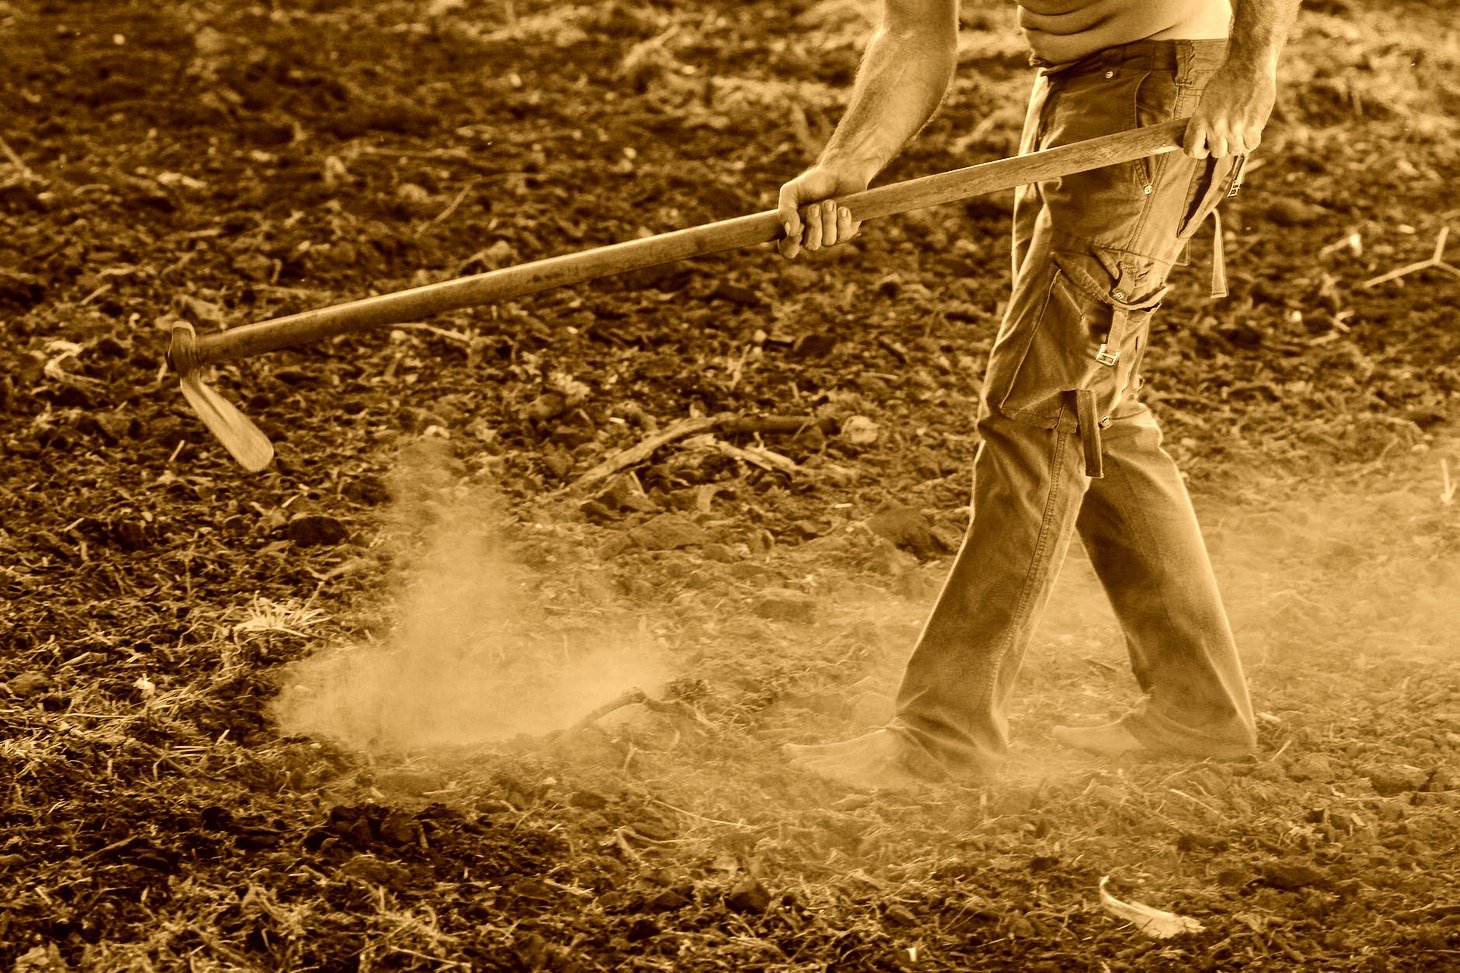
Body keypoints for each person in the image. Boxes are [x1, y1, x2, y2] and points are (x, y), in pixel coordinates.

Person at [778, 0, 1300, 789]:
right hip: (1080, 89)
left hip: (1168, 89)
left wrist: (1249, 67)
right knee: (1096, 408)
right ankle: (1200, 709)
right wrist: (848, 164)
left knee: (1040, 407)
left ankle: (940, 737)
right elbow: (917, 29)